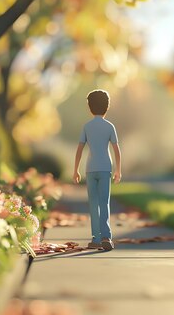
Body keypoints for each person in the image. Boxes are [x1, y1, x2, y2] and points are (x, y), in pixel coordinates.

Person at [73, 89, 122, 251]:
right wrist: (118, 170)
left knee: (93, 203)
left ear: (90, 107)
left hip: (90, 168)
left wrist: (76, 170)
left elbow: (79, 149)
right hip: (105, 168)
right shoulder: (110, 127)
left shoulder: (87, 126)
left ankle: (96, 237)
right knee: (104, 202)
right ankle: (106, 236)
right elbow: (116, 150)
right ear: (107, 106)